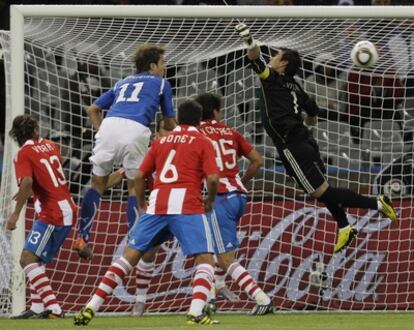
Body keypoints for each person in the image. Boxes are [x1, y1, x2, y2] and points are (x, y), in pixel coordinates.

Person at [235, 23, 398, 253]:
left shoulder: (271, 78)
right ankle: (344, 226)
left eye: (277, 56)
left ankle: (378, 203)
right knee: (323, 186)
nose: (272, 58)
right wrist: (304, 123)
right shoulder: (297, 87)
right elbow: (313, 112)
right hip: (304, 141)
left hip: (290, 144)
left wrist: (248, 38)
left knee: (320, 192)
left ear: (282, 64)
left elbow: (254, 56)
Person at [73, 100, 220, 326]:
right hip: (187, 205)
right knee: (205, 260)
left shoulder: (159, 143)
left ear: (178, 119)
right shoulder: (203, 141)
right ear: (199, 122)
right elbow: (212, 178)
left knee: (127, 258)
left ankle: (91, 306)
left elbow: (139, 175)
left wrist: (142, 203)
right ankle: (195, 312)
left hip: (157, 205)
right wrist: (209, 200)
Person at [73, 44, 176, 260]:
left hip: (109, 126)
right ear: (152, 65)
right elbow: (168, 121)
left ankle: (82, 236)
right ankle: (136, 239)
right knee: (132, 187)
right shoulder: (161, 83)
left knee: (97, 185)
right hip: (136, 129)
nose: (164, 68)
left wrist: (102, 132)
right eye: (163, 63)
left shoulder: (122, 82)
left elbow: (92, 109)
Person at [195, 93, 274, 315]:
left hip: (219, 198)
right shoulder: (232, 132)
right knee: (212, 248)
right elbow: (258, 160)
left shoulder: (197, 133)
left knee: (224, 257)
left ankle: (262, 299)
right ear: (216, 112)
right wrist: (240, 181)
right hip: (239, 196)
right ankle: (211, 297)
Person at [7, 115, 77, 319]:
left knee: (27, 258)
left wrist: (15, 214)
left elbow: (28, 182)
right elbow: (46, 175)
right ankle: (37, 306)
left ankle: (54, 307)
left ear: (15, 136)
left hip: (53, 212)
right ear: (36, 131)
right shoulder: (52, 145)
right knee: (36, 259)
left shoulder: (23, 154)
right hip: (63, 206)